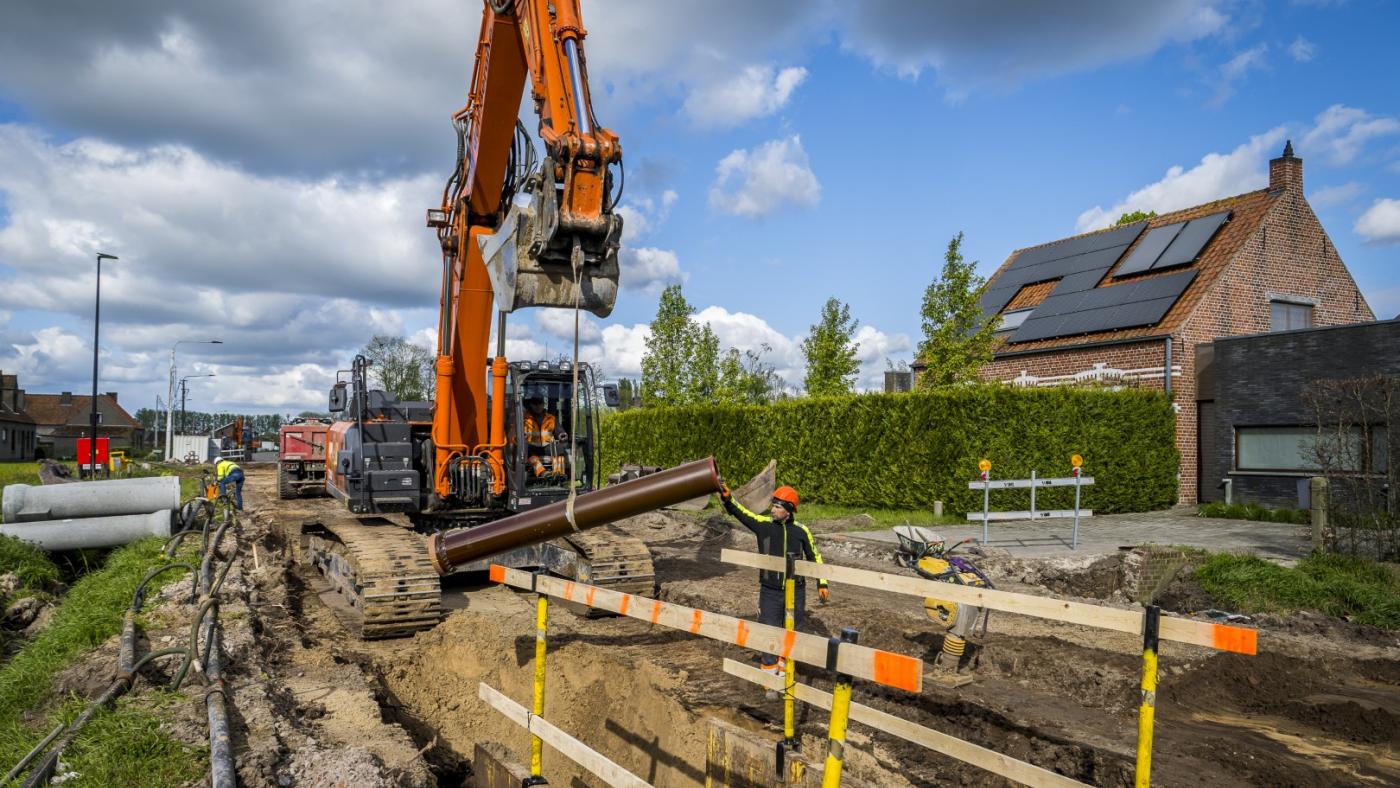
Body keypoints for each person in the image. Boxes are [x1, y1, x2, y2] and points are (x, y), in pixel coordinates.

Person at [719, 482, 828, 675]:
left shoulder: (802, 531)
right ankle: (769, 673)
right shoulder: (764, 526)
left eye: (777, 506)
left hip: (796, 590)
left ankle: (785, 666)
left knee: (792, 628)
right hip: (770, 590)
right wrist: (728, 499)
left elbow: (814, 557)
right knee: (768, 628)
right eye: (774, 505)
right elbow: (742, 513)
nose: (773, 509)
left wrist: (822, 583)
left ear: (789, 510)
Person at [522, 396, 564, 478]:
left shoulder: (551, 418)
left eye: (540, 404)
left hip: (547, 446)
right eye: (535, 404)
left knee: (559, 449)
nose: (538, 406)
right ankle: (543, 473)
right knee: (530, 455)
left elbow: (559, 430)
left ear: (543, 404)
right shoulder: (524, 418)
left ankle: (559, 474)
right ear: (531, 405)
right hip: (531, 447)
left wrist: (562, 435)